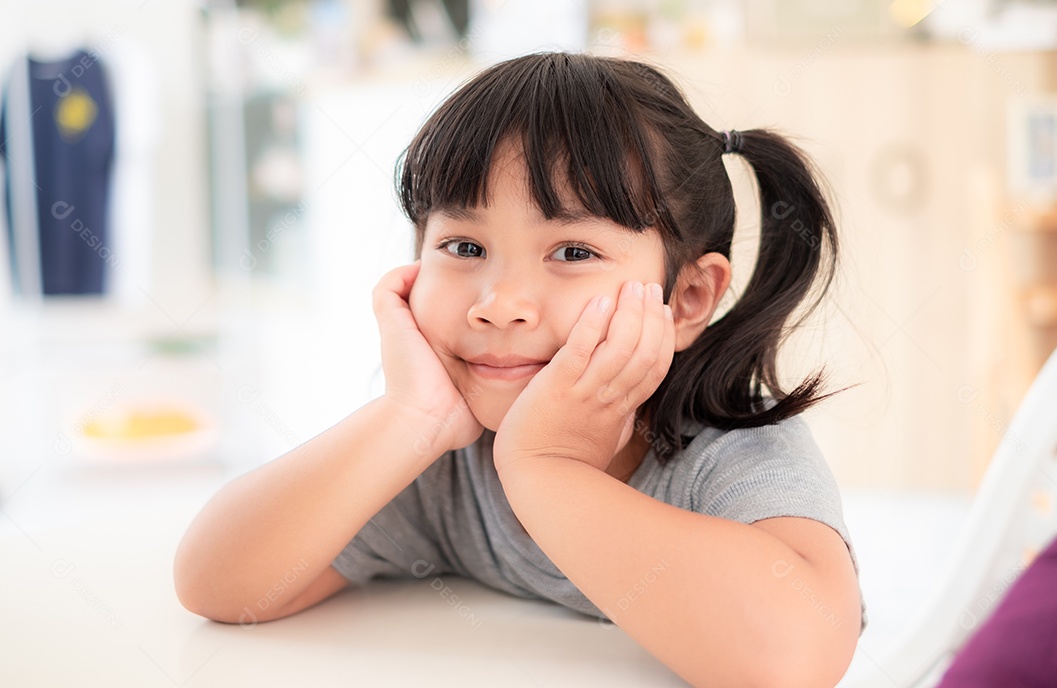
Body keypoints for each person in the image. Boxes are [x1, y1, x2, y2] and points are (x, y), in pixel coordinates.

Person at [174, 52, 867, 687]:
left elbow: (796, 657)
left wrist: (546, 467)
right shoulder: (442, 455)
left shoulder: (730, 452)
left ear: (686, 298)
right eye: (464, 246)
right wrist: (408, 419)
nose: (499, 305)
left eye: (571, 253)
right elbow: (218, 584)